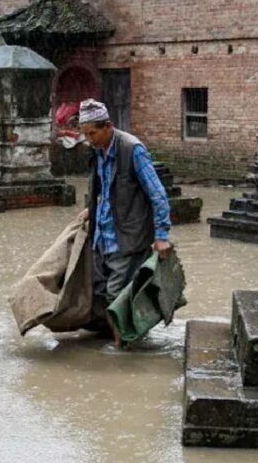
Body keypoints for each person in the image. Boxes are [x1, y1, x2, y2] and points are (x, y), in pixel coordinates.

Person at [77, 99, 172, 347]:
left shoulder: (132, 149)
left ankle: (122, 351)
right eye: (85, 134)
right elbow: (106, 189)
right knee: (99, 292)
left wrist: (162, 237)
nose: (89, 139)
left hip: (127, 238)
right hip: (102, 236)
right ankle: (129, 336)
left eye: (93, 133)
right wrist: (91, 210)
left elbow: (158, 195)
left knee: (116, 295)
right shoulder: (98, 151)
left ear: (108, 126)